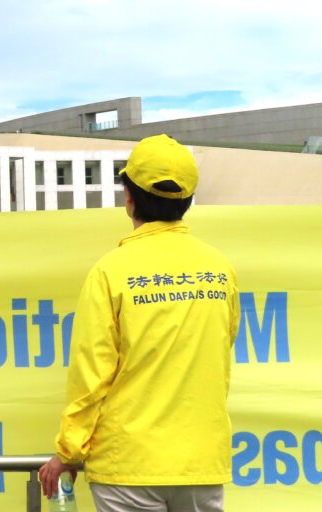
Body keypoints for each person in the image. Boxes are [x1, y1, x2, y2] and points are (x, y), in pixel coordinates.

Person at [39, 134, 239, 512]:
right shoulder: (219, 270)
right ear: (188, 201)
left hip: (127, 467)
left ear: (128, 197)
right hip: (201, 464)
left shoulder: (110, 272)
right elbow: (220, 350)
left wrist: (69, 450)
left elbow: (90, 374)